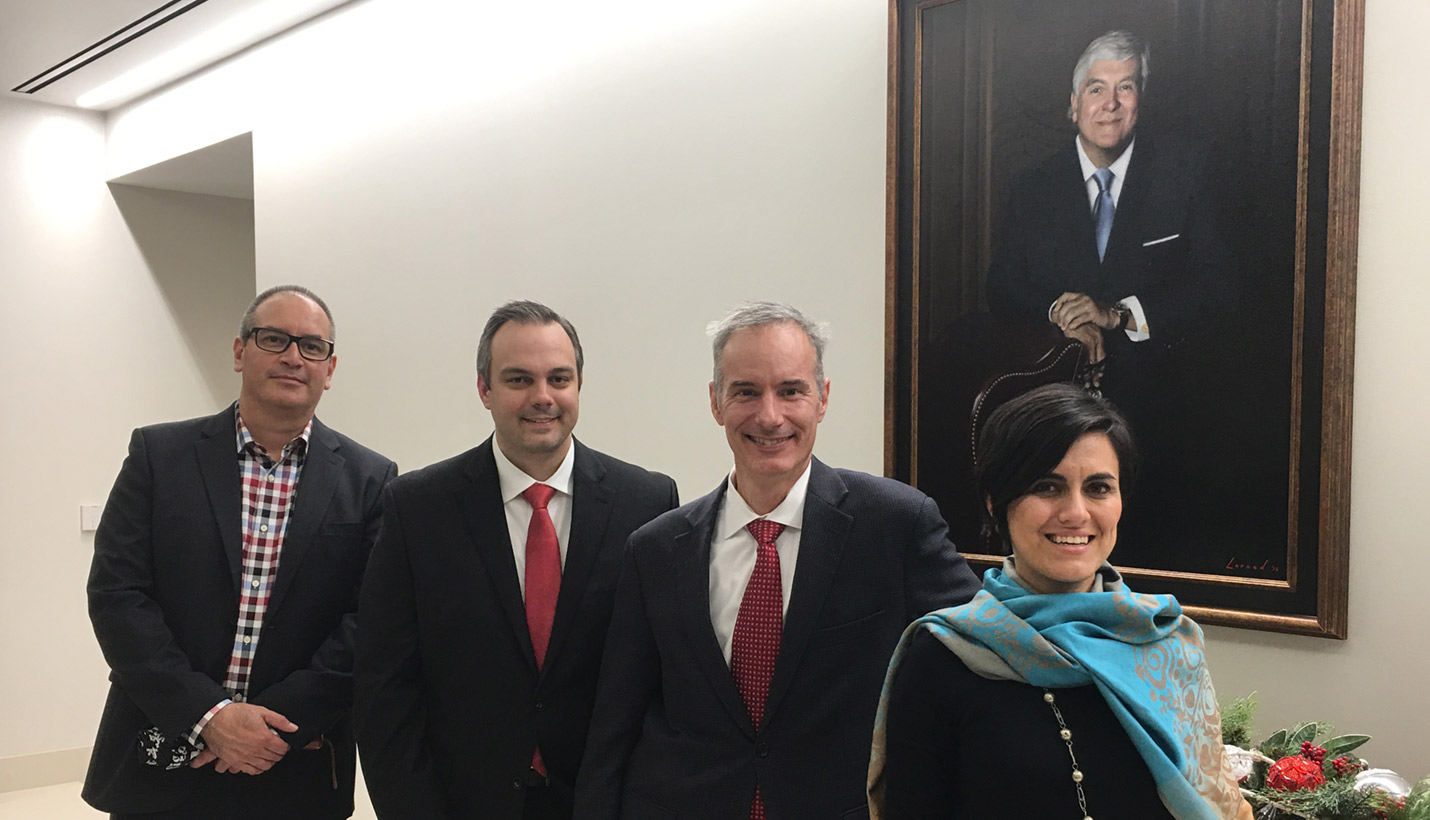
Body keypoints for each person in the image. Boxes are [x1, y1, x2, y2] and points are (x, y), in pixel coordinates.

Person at [574, 302, 981, 820]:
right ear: (716, 402)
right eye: (746, 391)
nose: (770, 416)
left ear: (823, 398)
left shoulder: (897, 525)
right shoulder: (655, 549)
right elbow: (616, 723)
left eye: (791, 390)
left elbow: (977, 661)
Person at [354, 300, 679, 820]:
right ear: (484, 389)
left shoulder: (647, 503)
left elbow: (662, 682)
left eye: (559, 378)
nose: (542, 397)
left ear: (578, 386)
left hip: (603, 804)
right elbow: (383, 689)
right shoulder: (417, 509)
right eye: (519, 379)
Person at [83, 285, 398, 820]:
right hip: (163, 756)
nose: (293, 356)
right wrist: (210, 716)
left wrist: (268, 725)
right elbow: (118, 596)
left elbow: (371, 621)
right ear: (239, 351)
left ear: (330, 365)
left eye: (312, 346)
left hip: (297, 762)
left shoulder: (372, 481)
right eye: (274, 338)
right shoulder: (159, 457)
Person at [868, 383, 1252, 820]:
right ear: (997, 503)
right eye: (1047, 487)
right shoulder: (944, 654)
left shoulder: (1166, 641)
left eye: (1099, 488)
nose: (1075, 512)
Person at [984, 29, 1235, 568]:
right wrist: (1060, 312)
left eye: (1126, 86)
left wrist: (1120, 315)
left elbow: (1217, 288)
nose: (1111, 103)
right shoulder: (1034, 186)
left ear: (1141, 100)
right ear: (1073, 105)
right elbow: (1002, 285)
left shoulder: (1189, 172)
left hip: (1165, 416)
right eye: (1097, 88)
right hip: (1053, 416)